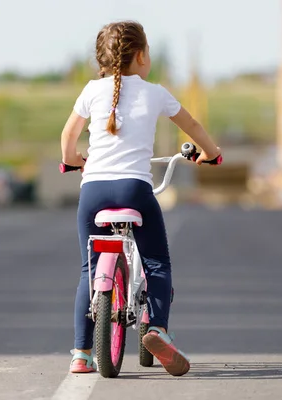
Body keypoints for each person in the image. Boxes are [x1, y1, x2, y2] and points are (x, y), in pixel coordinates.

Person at [60, 20, 221, 377]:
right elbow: (192, 126)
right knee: (157, 263)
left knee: (88, 270)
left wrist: (72, 161)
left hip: (93, 191)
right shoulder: (156, 93)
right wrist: (211, 153)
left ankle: (81, 354)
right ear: (143, 55)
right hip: (135, 188)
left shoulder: (90, 91)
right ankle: (158, 329)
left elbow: (68, 135)